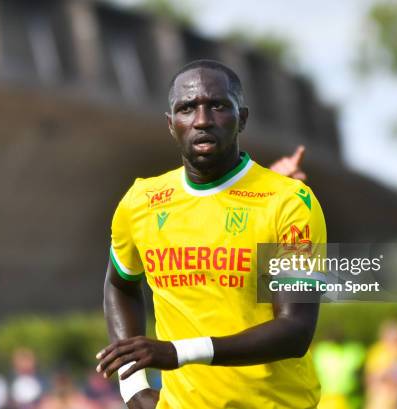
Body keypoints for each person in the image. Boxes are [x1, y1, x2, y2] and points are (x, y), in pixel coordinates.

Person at [97, 59, 327, 409]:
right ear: (171, 124)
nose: (202, 120)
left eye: (218, 105)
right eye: (187, 108)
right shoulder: (140, 201)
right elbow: (120, 285)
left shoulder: (289, 203)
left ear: (243, 118)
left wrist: (177, 352)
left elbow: (295, 329)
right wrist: (134, 390)